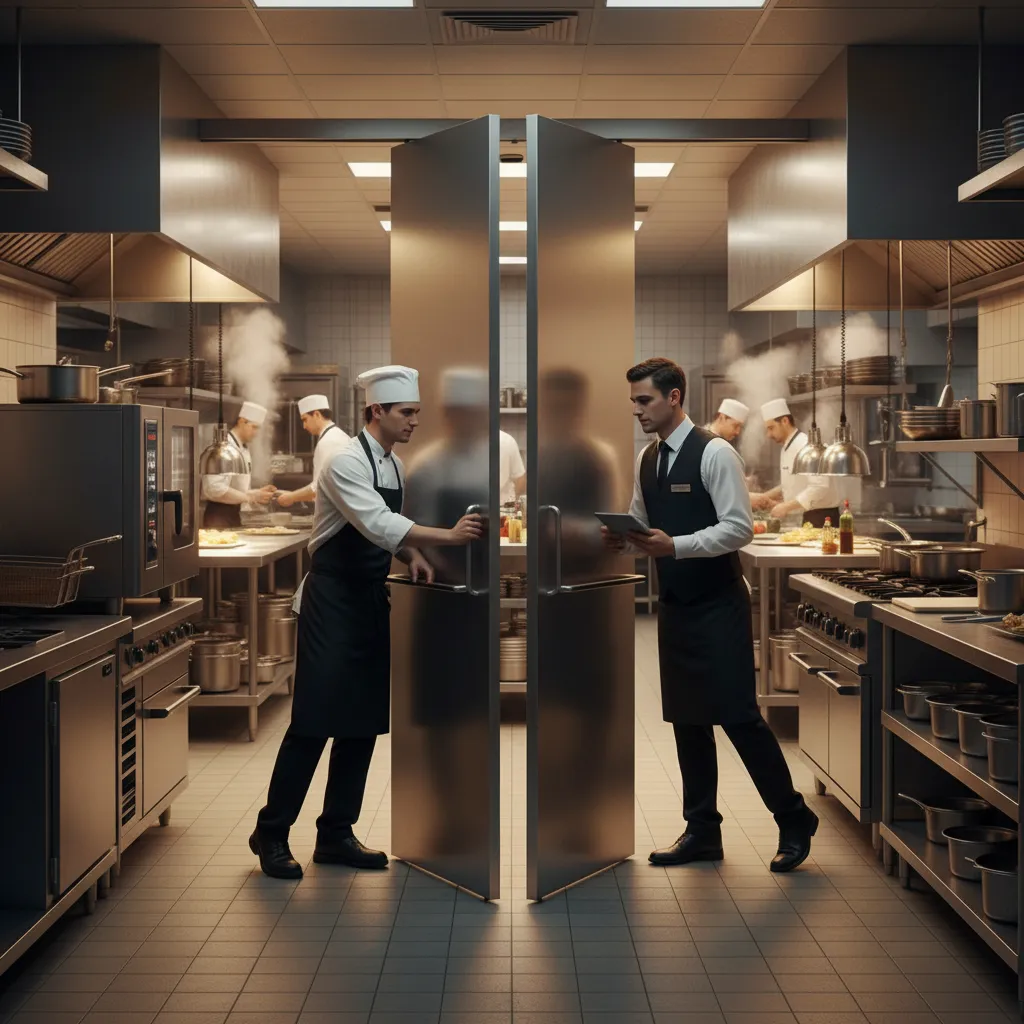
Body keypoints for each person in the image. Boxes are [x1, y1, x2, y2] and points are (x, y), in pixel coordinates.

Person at [249, 365, 483, 879]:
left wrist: (409, 554)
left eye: (417, 412)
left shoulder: (392, 464)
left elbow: (386, 533)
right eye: (407, 412)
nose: (415, 421)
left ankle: (336, 833)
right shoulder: (343, 459)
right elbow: (375, 522)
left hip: (368, 601)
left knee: (362, 723)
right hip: (331, 601)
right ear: (376, 411)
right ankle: (271, 832)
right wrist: (447, 537)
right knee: (313, 722)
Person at [605, 357, 817, 872]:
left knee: (739, 717)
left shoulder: (714, 453)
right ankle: (702, 830)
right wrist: (620, 537)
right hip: (676, 606)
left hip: (719, 605)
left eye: (644, 400)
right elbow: (641, 522)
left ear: (674, 396)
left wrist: (672, 545)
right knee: (687, 721)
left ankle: (793, 818)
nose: (636, 410)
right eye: (633, 401)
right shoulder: (648, 460)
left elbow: (739, 528)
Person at [749, 398, 839, 527]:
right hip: (805, 516)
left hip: (822, 518)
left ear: (785, 421)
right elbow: (790, 482)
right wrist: (765, 497)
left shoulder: (808, 446)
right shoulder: (787, 447)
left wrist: (786, 507)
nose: (768, 435)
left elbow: (820, 487)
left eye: (771, 428)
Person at [201, 401, 276, 528]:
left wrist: (255, 494)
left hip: (233, 514)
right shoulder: (224, 447)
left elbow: (236, 488)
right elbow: (214, 488)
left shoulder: (242, 447)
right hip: (218, 516)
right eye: (254, 427)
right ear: (242, 421)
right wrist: (250, 497)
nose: (256, 433)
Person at [275, 394, 352, 507]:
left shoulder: (329, 441)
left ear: (316, 414)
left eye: (305, 419)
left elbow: (320, 487)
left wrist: (291, 497)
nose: (304, 426)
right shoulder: (335, 436)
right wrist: (292, 495)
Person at [500, 430, 526, 504]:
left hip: (504, 508)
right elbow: (520, 480)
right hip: (504, 508)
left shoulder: (506, 441)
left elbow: (520, 480)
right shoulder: (506, 440)